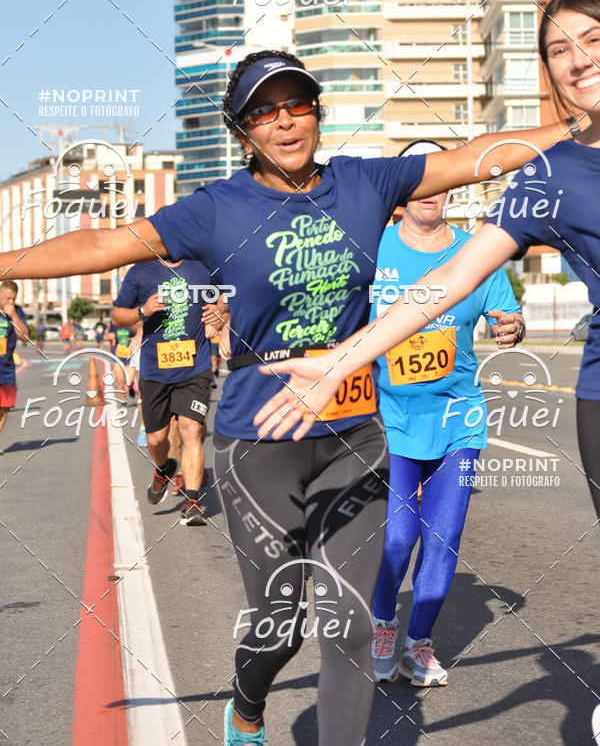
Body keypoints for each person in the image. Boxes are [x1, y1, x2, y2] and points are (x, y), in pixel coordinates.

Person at [0, 49, 581, 746]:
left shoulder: (366, 183)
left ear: (315, 110)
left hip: (353, 434)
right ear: (242, 130)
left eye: (296, 103)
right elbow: (105, 243)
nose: (284, 121)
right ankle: (247, 706)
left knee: (353, 624)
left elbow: (476, 158)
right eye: (263, 111)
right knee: (280, 622)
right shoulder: (217, 207)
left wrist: (580, 121)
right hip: (257, 439)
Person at [253, 0, 600, 539]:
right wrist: (336, 363)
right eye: (559, 49)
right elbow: (448, 280)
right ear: (549, 72)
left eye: (593, 40)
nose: (578, 59)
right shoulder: (548, 177)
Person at [368, 140, 524, 688]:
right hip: (388, 420)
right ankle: (383, 625)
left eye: (442, 177)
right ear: (403, 189)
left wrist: (512, 327)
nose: (433, 190)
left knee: (443, 536)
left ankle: (419, 644)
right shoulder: (373, 247)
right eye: (421, 178)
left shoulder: (475, 253)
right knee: (394, 538)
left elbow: (508, 314)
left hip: (459, 419)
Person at [111, 257, 214, 526]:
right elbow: (117, 315)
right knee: (156, 439)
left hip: (195, 366)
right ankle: (164, 468)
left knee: (191, 429)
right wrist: (143, 311)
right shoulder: (140, 272)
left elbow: (225, 298)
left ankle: (192, 502)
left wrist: (220, 317)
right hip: (155, 370)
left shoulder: (202, 266)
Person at [0, 281, 29, 447]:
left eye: (13, 299)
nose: (11, 302)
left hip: (6, 369)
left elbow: (24, 337)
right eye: (7, 298)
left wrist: (14, 317)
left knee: (3, 410)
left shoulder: (16, 312)